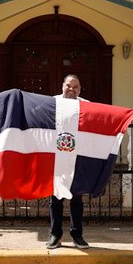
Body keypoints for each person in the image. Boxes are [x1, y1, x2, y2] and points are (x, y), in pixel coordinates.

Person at [47, 74, 89, 249]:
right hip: (56, 159)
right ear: (62, 85)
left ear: (80, 89)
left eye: (76, 86)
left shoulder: (85, 105)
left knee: (76, 199)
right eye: (69, 85)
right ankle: (55, 235)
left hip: (76, 158)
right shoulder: (52, 103)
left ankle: (76, 234)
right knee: (56, 198)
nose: (72, 89)